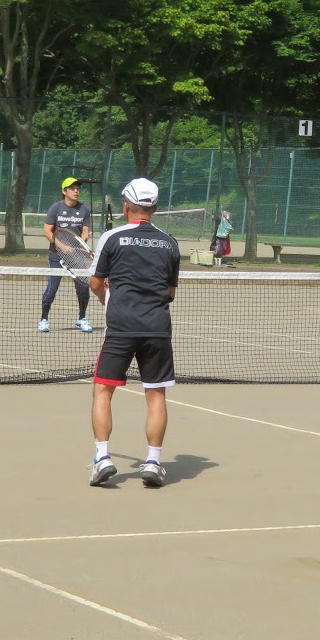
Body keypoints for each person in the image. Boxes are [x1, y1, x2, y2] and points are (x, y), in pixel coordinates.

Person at [87, 178, 180, 489]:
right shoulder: (170, 243)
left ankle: (102, 458)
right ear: (153, 208)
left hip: (121, 328)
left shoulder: (112, 238)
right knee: (156, 395)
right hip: (157, 328)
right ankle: (153, 462)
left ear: (126, 206)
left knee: (102, 390)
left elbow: (96, 284)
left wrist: (106, 297)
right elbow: (169, 292)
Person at [40, 176, 93, 333]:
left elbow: (85, 232)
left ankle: (82, 319)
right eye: (72, 188)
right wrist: (62, 246)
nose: (76, 191)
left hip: (76, 256)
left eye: (77, 188)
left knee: (83, 288)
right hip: (56, 255)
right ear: (64, 191)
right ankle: (44, 319)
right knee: (52, 287)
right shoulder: (55, 208)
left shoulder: (84, 209)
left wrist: (80, 244)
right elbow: (47, 231)